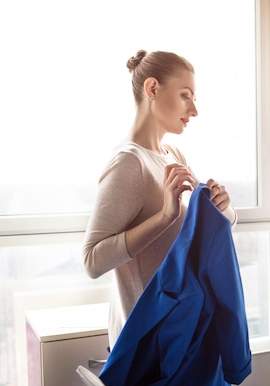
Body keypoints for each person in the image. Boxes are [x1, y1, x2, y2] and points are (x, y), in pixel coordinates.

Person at [83, 50, 237, 347]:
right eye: (185, 95)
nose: (194, 110)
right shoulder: (128, 163)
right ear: (152, 89)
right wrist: (164, 215)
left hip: (180, 333)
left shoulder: (173, 155)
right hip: (147, 345)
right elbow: (92, 261)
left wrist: (224, 209)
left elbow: (201, 232)